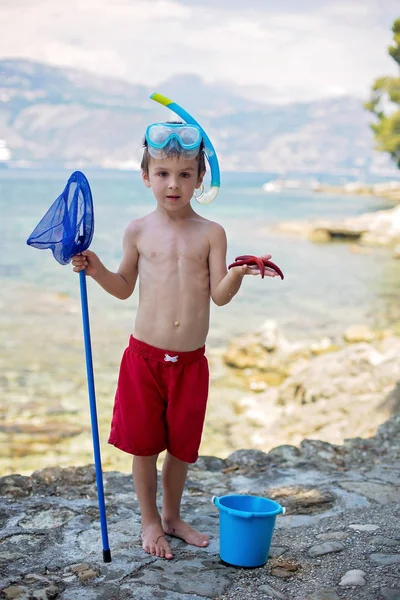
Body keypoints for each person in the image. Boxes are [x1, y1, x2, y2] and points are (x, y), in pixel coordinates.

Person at [71, 122, 279, 560]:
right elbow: (124, 286)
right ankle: (150, 521)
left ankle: (172, 515)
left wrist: (238, 273)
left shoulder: (211, 233)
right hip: (143, 358)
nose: (173, 184)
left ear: (201, 180)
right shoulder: (137, 231)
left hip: (190, 362)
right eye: (163, 173)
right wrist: (95, 267)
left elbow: (219, 296)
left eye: (185, 175)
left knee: (182, 448)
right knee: (144, 446)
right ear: (146, 176)